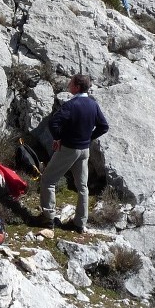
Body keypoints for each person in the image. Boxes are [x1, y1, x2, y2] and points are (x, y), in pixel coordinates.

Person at [38, 73, 108, 233]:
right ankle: (80, 223)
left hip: (69, 148)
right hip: (84, 150)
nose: (68, 85)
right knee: (82, 186)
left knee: (48, 180)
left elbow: (54, 122)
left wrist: (58, 138)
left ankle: (48, 218)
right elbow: (104, 126)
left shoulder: (71, 105)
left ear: (76, 87)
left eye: (71, 83)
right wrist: (90, 137)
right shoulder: (93, 104)